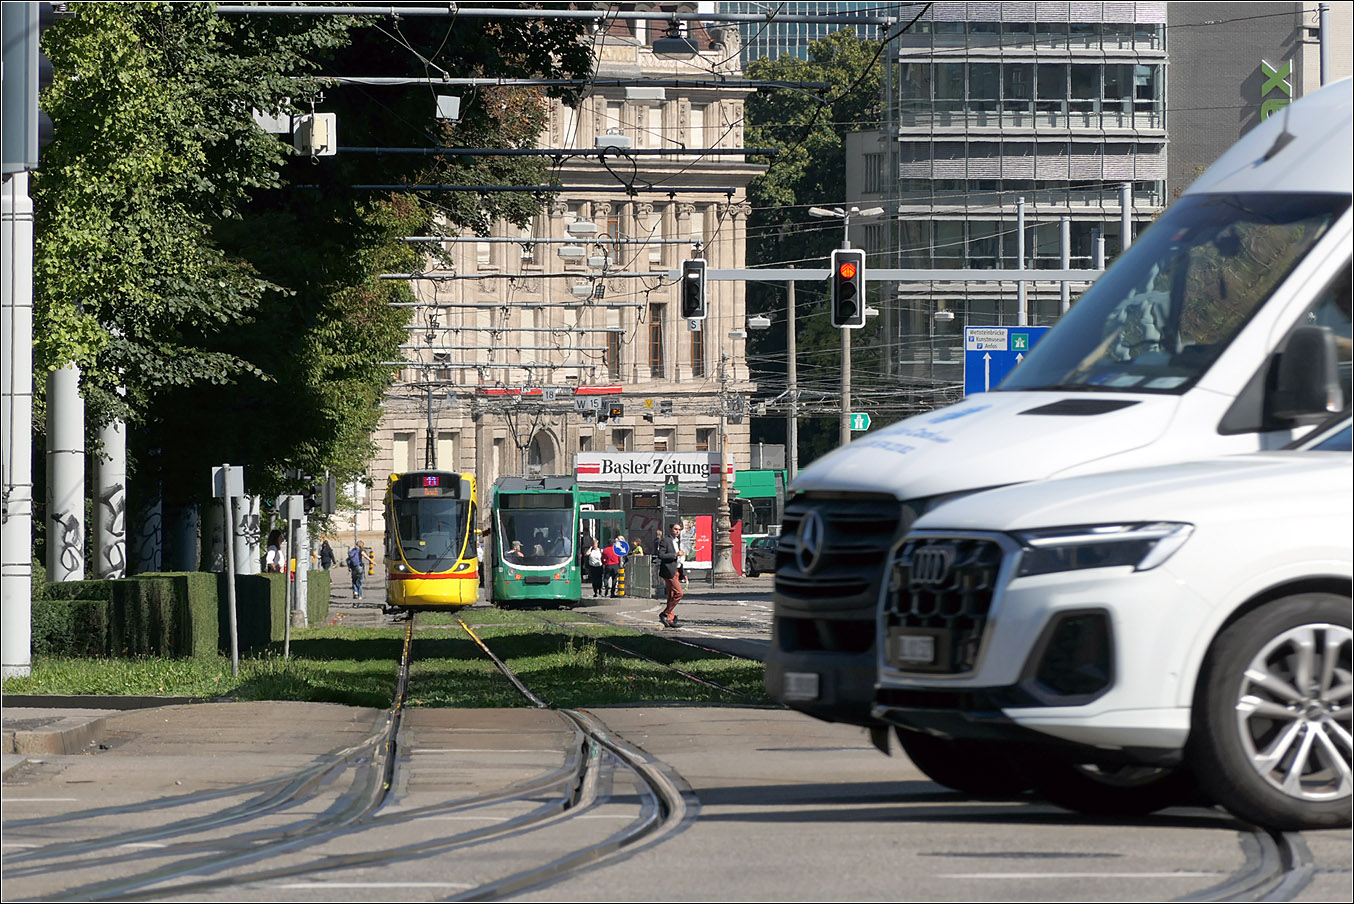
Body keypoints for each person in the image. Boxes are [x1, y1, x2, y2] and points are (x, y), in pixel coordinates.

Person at [657, 522, 684, 628]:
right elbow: (661, 555)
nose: (677, 531)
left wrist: (683, 573)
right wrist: (675, 554)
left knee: (672, 595)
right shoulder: (665, 540)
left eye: (679, 529)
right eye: (676, 529)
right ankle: (665, 613)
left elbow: (680, 559)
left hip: (676, 570)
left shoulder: (677, 541)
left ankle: (670, 619)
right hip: (669, 571)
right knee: (679, 593)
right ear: (671, 529)